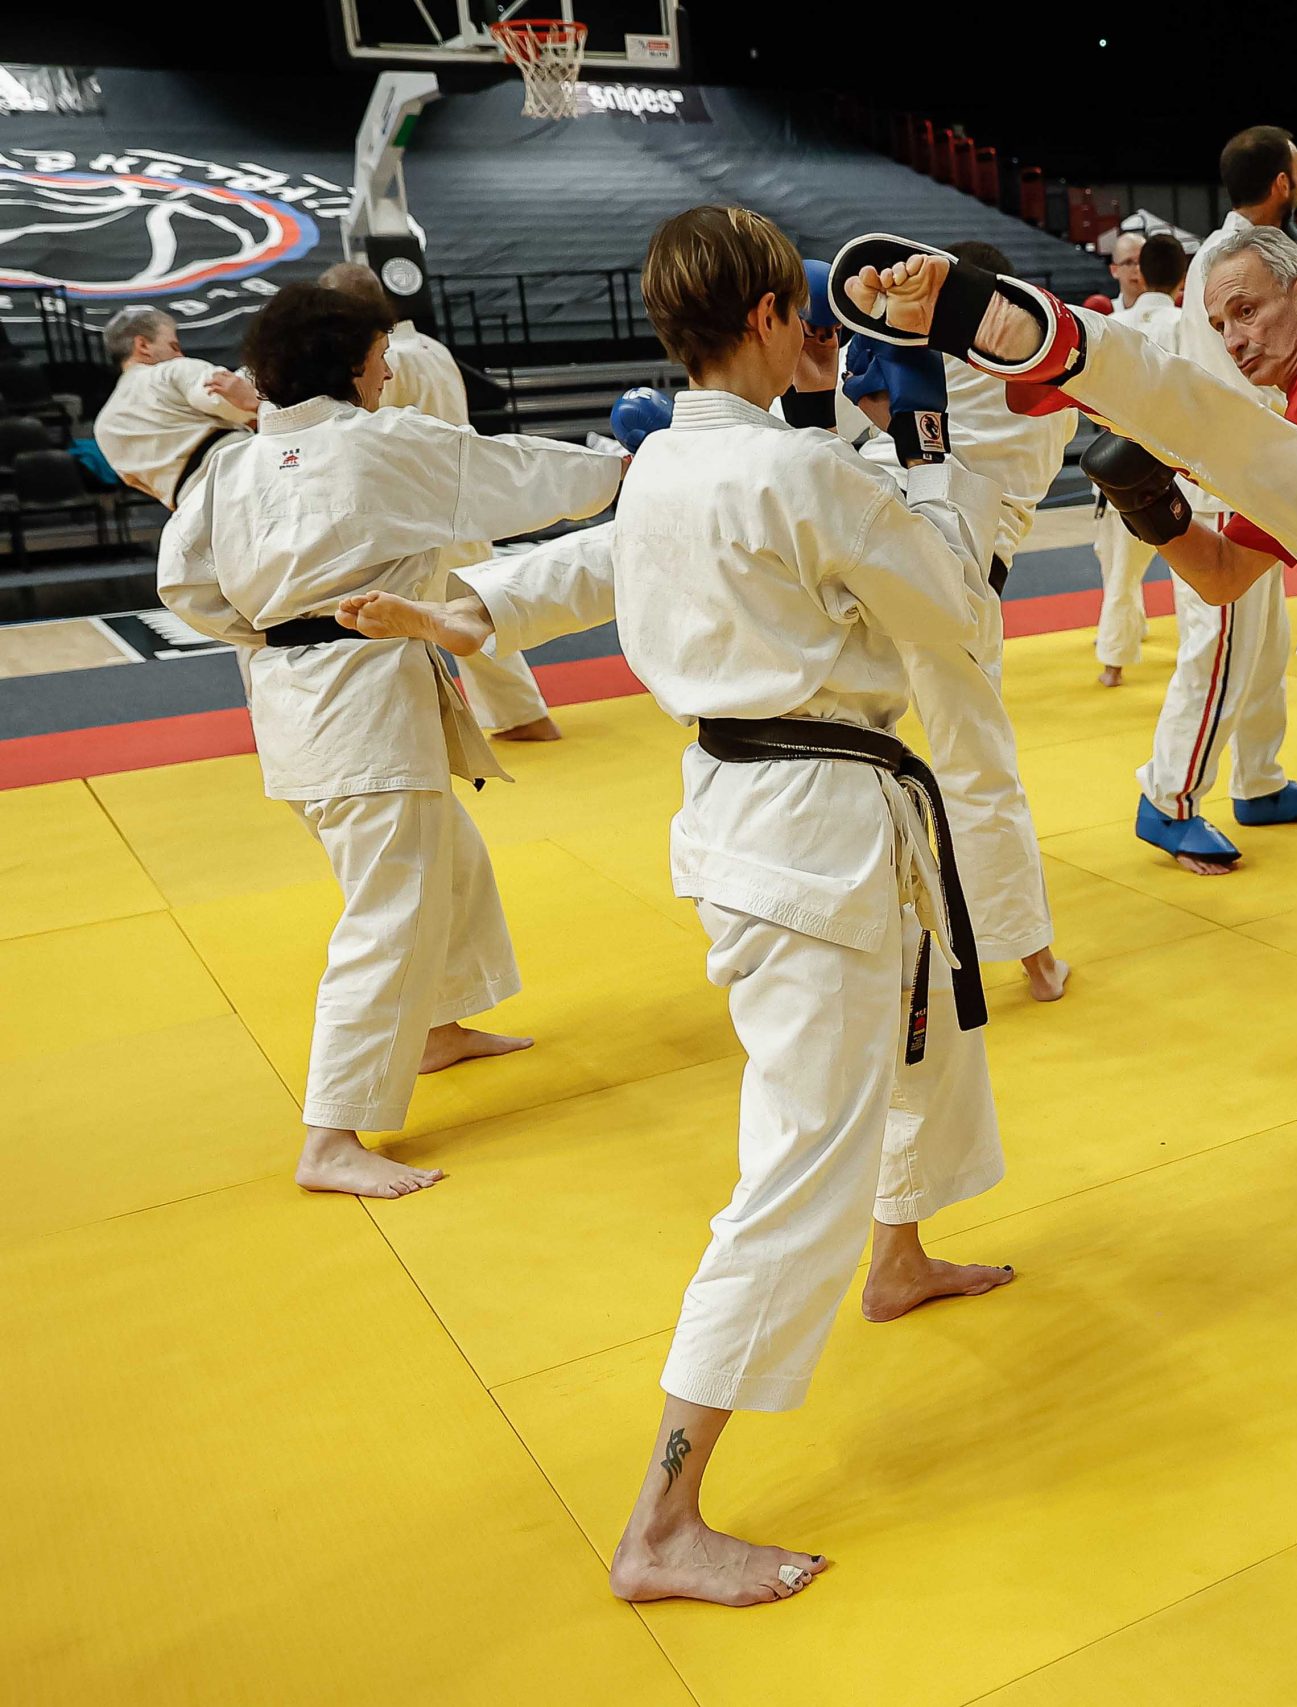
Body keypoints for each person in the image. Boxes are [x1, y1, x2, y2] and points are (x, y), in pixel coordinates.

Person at [343, 205, 1017, 1605]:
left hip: (766, 816)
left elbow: (606, 562)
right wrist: (921, 444)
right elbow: (958, 607)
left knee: (924, 1048)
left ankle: (897, 1256)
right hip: (815, 832)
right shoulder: (802, 470)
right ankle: (662, 1521)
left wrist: (468, 609)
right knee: (799, 1159)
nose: (817, 335)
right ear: (769, 315)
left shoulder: (676, 459)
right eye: (803, 315)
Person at [831, 218, 1297, 1169]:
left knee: (1227, 428)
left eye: (1248, 310)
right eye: (1219, 322)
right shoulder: (1287, 456)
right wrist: (1158, 512)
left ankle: (1054, 339)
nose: (1234, 337)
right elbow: (1224, 577)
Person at [154, 284, 624, 1199]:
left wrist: (274, 628)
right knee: (389, 913)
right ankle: (330, 1136)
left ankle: (437, 1027)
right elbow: (516, 474)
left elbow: (184, 585)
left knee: (447, 857)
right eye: (378, 359)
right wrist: (626, 469)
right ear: (348, 367)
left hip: (291, 699)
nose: (388, 373)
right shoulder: (381, 444)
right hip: (363, 705)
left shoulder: (231, 467)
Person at [848, 239, 1081, 1003]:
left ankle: (861, 941)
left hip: (866, 542)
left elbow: (862, 401)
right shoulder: (1051, 376)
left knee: (849, 748)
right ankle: (1034, 959)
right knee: (976, 765)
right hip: (960, 573)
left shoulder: (919, 352)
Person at [1132, 123, 1297, 875]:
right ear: (1283, 182)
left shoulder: (1254, 254)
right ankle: (1168, 799)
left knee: (1265, 645)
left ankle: (1259, 778)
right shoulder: (1229, 263)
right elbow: (1241, 376)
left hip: (1262, 473)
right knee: (1219, 646)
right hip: (1227, 480)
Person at [317, 261, 563, 741]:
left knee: (422, 615)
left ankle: (508, 719)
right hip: (456, 498)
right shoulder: (431, 347)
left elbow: (364, 434)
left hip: (415, 508)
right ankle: (519, 716)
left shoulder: (384, 360)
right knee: (469, 608)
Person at [1094, 232, 1189, 684]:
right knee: (1189, 570)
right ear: (1182, 279)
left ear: (1142, 274)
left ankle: (1113, 664)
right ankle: (1194, 654)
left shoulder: (1113, 325)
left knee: (1122, 572)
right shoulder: (1187, 325)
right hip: (1181, 458)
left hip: (1124, 458)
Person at [91, 305, 258, 510]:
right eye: (174, 346)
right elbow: (232, 400)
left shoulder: (104, 426)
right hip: (243, 475)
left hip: (191, 511)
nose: (180, 354)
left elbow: (138, 484)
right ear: (143, 345)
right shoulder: (169, 372)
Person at [1105, 229, 1147, 311]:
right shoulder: (1106, 314)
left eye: (1143, 261)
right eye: (1129, 263)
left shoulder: (1168, 311)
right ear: (1114, 270)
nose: (1138, 268)